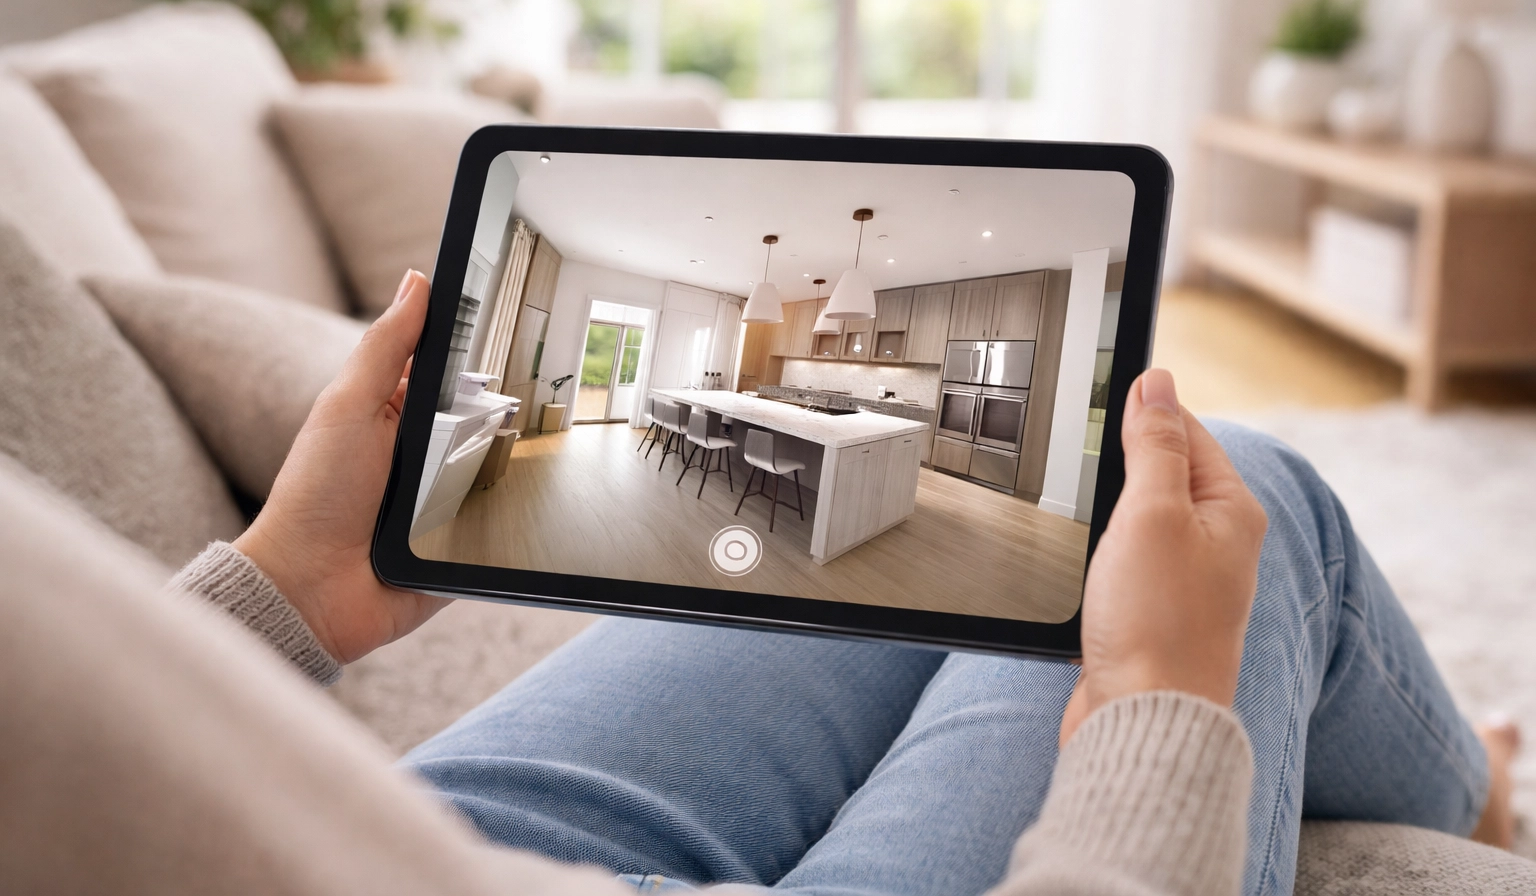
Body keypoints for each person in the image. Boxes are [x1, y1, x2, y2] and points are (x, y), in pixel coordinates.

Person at [0, 269, 1519, 896]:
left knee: (1136, 490)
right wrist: (1153, 705)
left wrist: (281, 588)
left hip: (430, 856)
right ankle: (1478, 804)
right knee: (1237, 479)